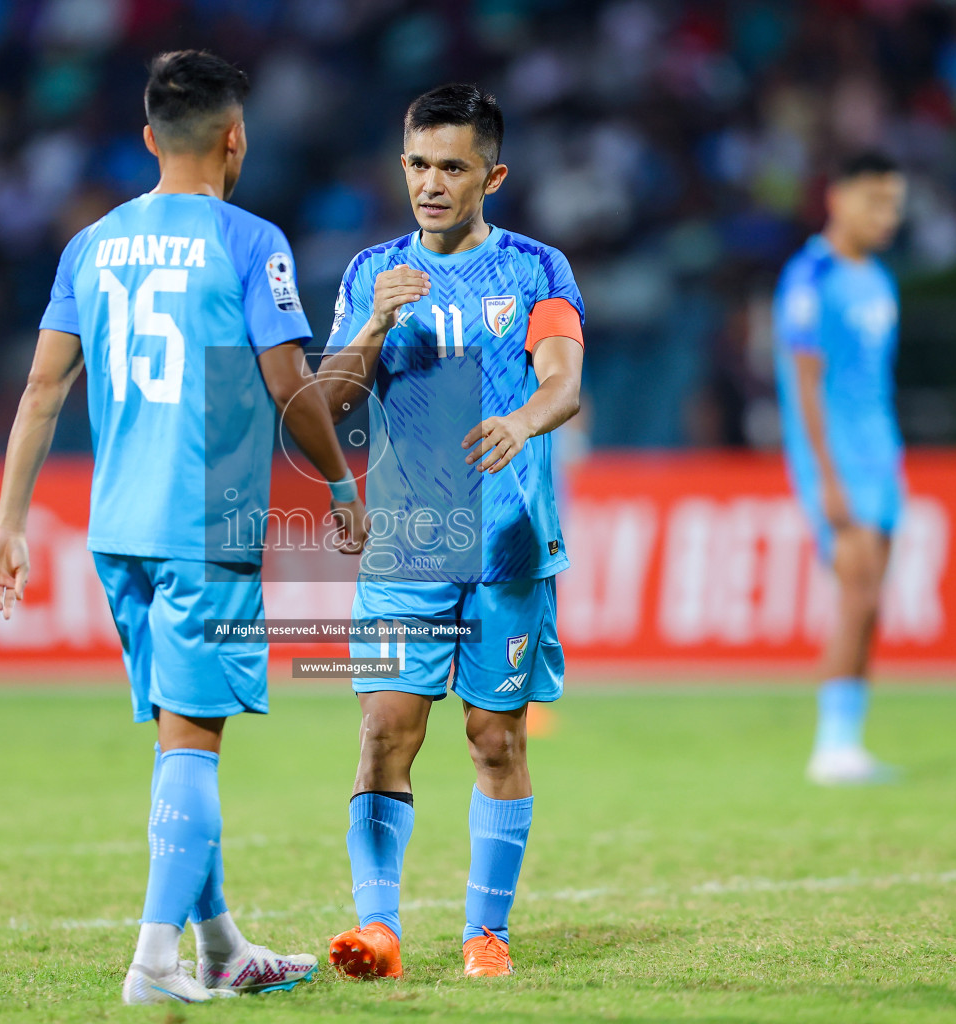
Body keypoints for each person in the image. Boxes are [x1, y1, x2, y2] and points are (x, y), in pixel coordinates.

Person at [0, 50, 365, 1004]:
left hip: (118, 529)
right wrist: (344, 482)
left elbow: (40, 390)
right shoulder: (249, 239)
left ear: (150, 139)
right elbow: (290, 388)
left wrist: (9, 522)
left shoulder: (89, 245)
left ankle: (223, 946)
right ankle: (153, 964)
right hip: (207, 522)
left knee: (176, 738)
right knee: (194, 740)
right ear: (237, 138)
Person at [315, 84, 584, 979]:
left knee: (494, 739)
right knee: (385, 732)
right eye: (419, 165)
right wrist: (374, 324)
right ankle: (377, 929)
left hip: (507, 545)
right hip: (408, 546)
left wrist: (525, 422)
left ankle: (486, 934)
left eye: (453, 167)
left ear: (492, 175)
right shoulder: (371, 274)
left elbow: (563, 381)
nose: (431, 183)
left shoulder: (539, 269)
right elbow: (331, 403)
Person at [773, 151, 907, 786]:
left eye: (894, 205)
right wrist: (825, 475)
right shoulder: (811, 276)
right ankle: (830, 746)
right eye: (876, 202)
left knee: (872, 598)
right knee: (856, 593)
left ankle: (850, 740)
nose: (887, 217)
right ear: (839, 198)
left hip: (881, 456)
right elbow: (806, 384)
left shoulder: (877, 278)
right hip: (838, 461)